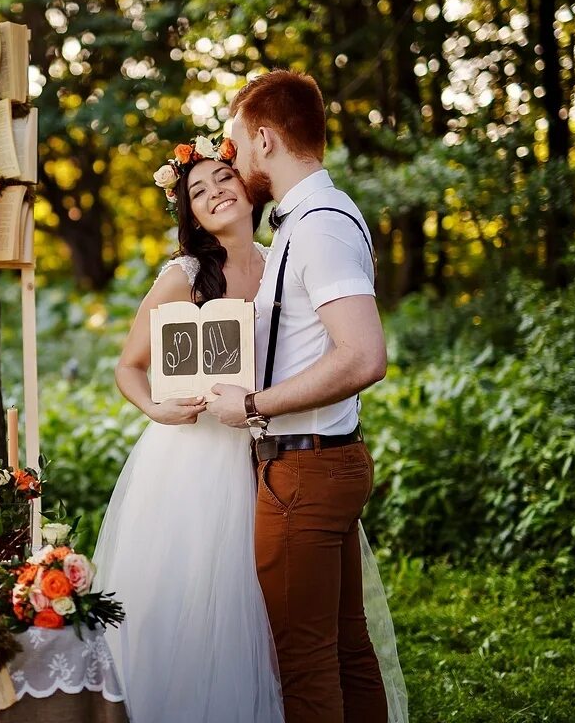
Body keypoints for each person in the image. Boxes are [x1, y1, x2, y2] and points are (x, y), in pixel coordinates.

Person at [94, 133, 407, 723]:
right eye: (198, 191)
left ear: (247, 184)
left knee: (272, 603)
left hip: (270, 445)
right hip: (193, 455)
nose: (215, 193)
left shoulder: (283, 259)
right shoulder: (184, 274)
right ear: (189, 213)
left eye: (223, 179)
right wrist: (159, 409)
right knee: (201, 591)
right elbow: (128, 366)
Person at [207, 69, 407, 723]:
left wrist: (254, 405)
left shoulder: (318, 225)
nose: (230, 159)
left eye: (234, 144)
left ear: (264, 140)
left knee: (305, 661)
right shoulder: (308, 219)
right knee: (345, 648)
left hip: (305, 472)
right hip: (320, 463)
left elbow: (364, 355)